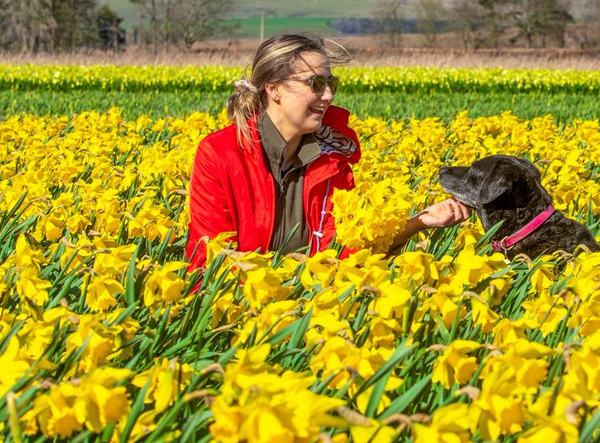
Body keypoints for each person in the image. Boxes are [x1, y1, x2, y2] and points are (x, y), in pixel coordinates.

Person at [186, 33, 469, 272]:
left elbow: (348, 256)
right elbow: (210, 257)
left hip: (316, 312)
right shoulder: (220, 154)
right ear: (274, 89)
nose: (329, 96)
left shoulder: (334, 158)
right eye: (316, 84)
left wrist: (419, 222)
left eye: (331, 84)